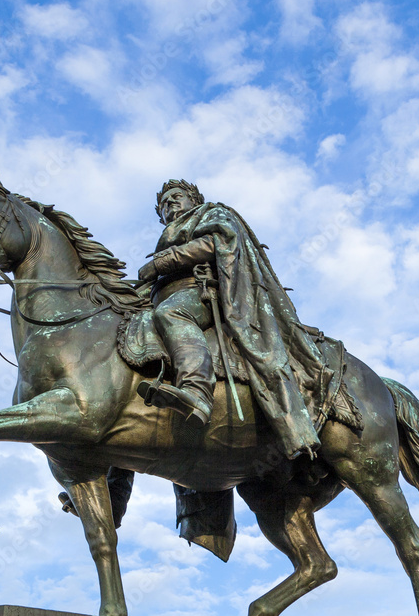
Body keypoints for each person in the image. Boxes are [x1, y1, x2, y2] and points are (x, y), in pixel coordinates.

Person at [136, 179, 330, 461]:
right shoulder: (168, 234)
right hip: (165, 295)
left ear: (193, 198)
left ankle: (197, 392)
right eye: (164, 204)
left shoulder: (211, 213)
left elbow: (219, 242)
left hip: (203, 294)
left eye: (176, 197)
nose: (169, 204)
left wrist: (161, 262)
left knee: (172, 313)